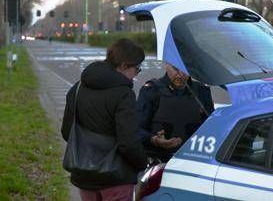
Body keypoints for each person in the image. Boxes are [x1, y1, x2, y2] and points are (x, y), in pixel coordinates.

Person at [61, 39, 148, 201]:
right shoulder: (124, 94)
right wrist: (143, 162)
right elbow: (128, 143)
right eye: (137, 69)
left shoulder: (78, 88)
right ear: (123, 66)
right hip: (116, 179)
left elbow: (67, 132)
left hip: (84, 176)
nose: (136, 75)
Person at [137, 63, 214, 162]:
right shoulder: (152, 90)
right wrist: (154, 140)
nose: (180, 74)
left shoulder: (201, 91)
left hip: (193, 160)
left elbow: (212, 129)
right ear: (166, 65)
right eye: (176, 69)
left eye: (184, 69)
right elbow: (136, 129)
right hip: (159, 160)